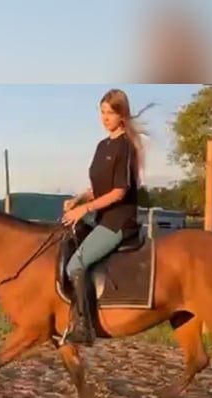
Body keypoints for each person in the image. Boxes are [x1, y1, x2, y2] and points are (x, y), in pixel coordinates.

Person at [60, 88, 145, 346]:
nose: (105, 118)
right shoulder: (102, 146)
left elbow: (119, 192)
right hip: (101, 217)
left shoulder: (125, 147)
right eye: (102, 112)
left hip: (118, 221)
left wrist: (84, 210)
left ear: (122, 115)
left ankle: (86, 327)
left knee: (75, 265)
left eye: (110, 113)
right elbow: (99, 186)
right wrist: (79, 199)